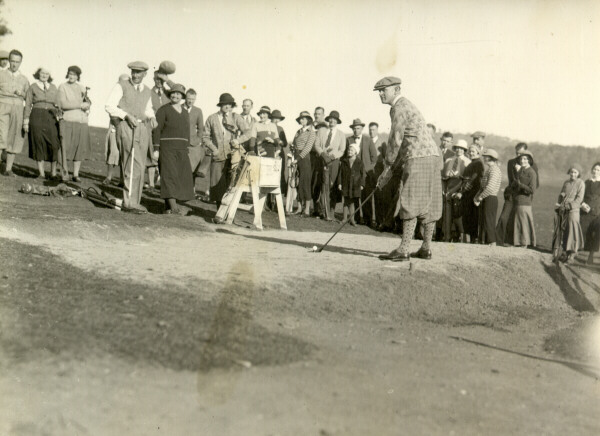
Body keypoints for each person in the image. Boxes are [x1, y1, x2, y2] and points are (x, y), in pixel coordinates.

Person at [374, 76, 442, 261]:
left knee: (411, 201)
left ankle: (404, 249)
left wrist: (387, 168)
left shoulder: (398, 107)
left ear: (396, 90)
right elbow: (404, 143)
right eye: (379, 91)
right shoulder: (407, 105)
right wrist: (393, 168)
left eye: (384, 90)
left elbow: (396, 140)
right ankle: (425, 248)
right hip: (433, 157)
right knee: (429, 203)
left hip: (418, 158)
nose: (380, 94)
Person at [105, 61, 157, 213]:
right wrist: (126, 115)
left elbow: (147, 109)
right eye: (133, 71)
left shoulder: (147, 90)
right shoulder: (121, 85)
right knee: (131, 164)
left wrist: (152, 117)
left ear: (145, 74)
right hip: (126, 126)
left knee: (140, 166)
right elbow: (109, 106)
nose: (135, 75)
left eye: (138, 72)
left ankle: (135, 201)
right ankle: (129, 202)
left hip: (142, 128)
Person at [202, 92, 251, 213]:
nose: (227, 107)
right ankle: (220, 212)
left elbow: (248, 132)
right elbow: (205, 137)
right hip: (217, 157)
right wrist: (213, 148)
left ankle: (228, 213)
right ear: (220, 105)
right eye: (224, 104)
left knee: (231, 186)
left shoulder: (235, 117)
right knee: (218, 186)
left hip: (233, 157)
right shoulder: (212, 118)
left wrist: (238, 140)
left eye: (229, 104)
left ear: (232, 106)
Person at [152, 84, 194, 215]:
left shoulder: (185, 112)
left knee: (180, 177)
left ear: (182, 97)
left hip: (181, 149)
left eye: (178, 94)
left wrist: (186, 147)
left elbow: (186, 131)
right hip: (167, 148)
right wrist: (156, 149)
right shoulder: (163, 110)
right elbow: (157, 130)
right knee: (168, 175)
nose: (175, 96)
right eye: (173, 93)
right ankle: (174, 208)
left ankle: (168, 208)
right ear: (170, 95)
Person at [496, 142, 540, 245]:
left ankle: (515, 242)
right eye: (517, 153)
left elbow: (534, 184)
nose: (519, 156)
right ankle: (497, 241)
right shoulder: (511, 162)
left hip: (523, 196)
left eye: (521, 154)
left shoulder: (533, 165)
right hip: (511, 194)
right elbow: (512, 180)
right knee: (504, 217)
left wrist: (525, 195)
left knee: (518, 219)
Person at [23, 67, 61, 179]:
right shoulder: (33, 87)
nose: (44, 75)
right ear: (38, 74)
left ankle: (53, 173)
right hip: (36, 116)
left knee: (54, 144)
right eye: (42, 73)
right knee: (38, 142)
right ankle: (42, 173)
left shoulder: (54, 87)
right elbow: (28, 104)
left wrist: (59, 115)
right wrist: (26, 121)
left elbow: (58, 103)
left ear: (49, 76)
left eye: (47, 73)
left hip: (51, 116)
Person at [57, 65, 91, 182]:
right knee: (65, 148)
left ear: (78, 76)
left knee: (79, 148)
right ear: (67, 74)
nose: (72, 76)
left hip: (82, 121)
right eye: (70, 74)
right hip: (68, 120)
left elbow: (86, 102)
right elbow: (63, 104)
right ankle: (64, 172)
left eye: (75, 75)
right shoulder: (62, 87)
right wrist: (80, 105)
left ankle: (76, 174)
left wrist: (87, 105)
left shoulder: (82, 88)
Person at [0, 49, 29, 176]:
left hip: (18, 109)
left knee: (15, 138)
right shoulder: (1, 75)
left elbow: (29, 98)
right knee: (1, 135)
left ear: (21, 62)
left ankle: (8, 169)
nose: (14, 64)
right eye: (12, 61)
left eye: (17, 62)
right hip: (3, 106)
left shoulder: (24, 79)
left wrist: (21, 93)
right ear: (8, 61)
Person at [314, 110, 346, 221]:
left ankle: (331, 211)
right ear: (328, 120)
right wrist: (323, 154)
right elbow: (316, 145)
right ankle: (323, 211)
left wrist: (332, 156)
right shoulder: (322, 131)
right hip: (323, 160)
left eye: (334, 119)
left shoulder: (341, 134)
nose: (332, 121)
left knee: (332, 185)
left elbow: (342, 150)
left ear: (337, 121)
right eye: (330, 119)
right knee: (324, 186)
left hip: (334, 162)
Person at [347, 118, 377, 226]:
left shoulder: (368, 140)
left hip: (366, 174)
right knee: (354, 196)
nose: (356, 130)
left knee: (366, 196)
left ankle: (368, 219)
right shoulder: (349, 140)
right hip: (354, 174)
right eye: (354, 128)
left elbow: (374, 157)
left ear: (362, 128)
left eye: (358, 128)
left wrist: (369, 168)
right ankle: (356, 218)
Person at [553, 164, 585, 263]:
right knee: (564, 231)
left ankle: (572, 253)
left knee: (572, 230)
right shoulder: (566, 182)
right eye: (571, 172)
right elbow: (562, 193)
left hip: (573, 210)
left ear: (578, 173)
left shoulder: (581, 183)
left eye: (575, 172)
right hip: (563, 209)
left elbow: (579, 199)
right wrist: (561, 199)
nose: (573, 174)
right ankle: (565, 251)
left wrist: (569, 206)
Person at [454, 145, 485, 243]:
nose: (471, 153)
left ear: (478, 153)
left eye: (473, 152)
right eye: (470, 152)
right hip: (468, 193)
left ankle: (473, 239)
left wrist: (462, 192)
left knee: (472, 216)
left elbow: (473, 179)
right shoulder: (473, 163)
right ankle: (469, 238)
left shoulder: (478, 163)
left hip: (472, 192)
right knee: (467, 216)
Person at [102, 73, 129, 187]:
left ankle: (123, 180)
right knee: (113, 152)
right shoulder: (115, 95)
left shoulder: (129, 96)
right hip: (115, 127)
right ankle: (109, 177)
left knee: (125, 154)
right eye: (122, 81)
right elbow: (111, 111)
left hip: (127, 128)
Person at [442, 139, 470, 242]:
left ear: (464, 150)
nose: (459, 150)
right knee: (447, 214)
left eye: (461, 148)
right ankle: (447, 236)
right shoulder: (449, 160)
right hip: (448, 188)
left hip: (459, 188)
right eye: (457, 148)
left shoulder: (467, 162)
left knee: (458, 215)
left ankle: (460, 237)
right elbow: (443, 176)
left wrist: (459, 190)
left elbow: (467, 179)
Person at [474, 149, 502, 245]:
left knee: (489, 220)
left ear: (490, 158)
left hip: (491, 198)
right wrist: (478, 196)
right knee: (486, 220)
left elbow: (490, 187)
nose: (484, 158)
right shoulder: (490, 169)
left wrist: (480, 197)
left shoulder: (494, 170)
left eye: (485, 156)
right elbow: (483, 186)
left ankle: (492, 241)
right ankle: (487, 241)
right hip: (487, 197)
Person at [291, 111, 316, 216]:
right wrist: (292, 153)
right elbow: (293, 143)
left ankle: (306, 210)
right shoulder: (298, 131)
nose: (302, 121)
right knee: (297, 182)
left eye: (304, 119)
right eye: (300, 119)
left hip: (304, 159)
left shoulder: (311, 132)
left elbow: (308, 148)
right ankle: (299, 207)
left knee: (305, 182)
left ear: (308, 120)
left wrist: (298, 159)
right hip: (296, 157)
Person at [511, 150, 537, 247]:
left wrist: (520, 185)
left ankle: (524, 243)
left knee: (524, 222)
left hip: (525, 201)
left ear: (529, 160)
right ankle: (519, 242)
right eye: (521, 159)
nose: (523, 161)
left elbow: (532, 190)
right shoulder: (521, 170)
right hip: (517, 200)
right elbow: (516, 183)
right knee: (518, 222)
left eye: (525, 159)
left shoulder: (532, 172)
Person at [183, 89, 205, 198]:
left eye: (192, 99)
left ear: (195, 99)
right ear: (185, 98)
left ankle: (190, 191)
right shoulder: (179, 108)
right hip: (180, 142)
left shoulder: (198, 111)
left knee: (192, 169)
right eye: (188, 99)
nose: (190, 101)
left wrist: (197, 140)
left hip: (193, 144)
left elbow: (201, 128)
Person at [337, 142, 366, 226]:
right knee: (346, 201)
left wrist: (362, 184)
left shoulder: (359, 162)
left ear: (356, 152)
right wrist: (339, 183)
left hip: (355, 185)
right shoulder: (344, 161)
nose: (349, 151)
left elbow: (363, 174)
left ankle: (352, 219)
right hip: (346, 184)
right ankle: (344, 218)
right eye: (349, 150)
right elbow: (340, 173)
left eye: (351, 150)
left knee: (352, 202)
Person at [581, 162, 600, 264]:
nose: (595, 171)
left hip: (597, 212)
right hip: (585, 210)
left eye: (598, 170)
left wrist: (593, 208)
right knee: (581, 230)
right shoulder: (587, 182)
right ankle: (573, 252)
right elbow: (581, 195)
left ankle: (591, 255)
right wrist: (583, 205)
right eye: (594, 169)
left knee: (595, 233)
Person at [270, 109, 288, 195]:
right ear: (271, 118)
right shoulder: (267, 126)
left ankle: (279, 195)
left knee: (280, 173)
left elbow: (285, 143)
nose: (276, 120)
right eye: (275, 118)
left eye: (278, 118)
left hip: (279, 152)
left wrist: (281, 142)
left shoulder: (280, 128)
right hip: (270, 152)